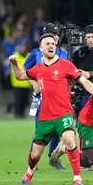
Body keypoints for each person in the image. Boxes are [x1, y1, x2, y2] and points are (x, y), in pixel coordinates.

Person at [9, 33, 93, 185]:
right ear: (41, 49)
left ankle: (77, 178)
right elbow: (20, 76)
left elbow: (85, 82)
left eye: (52, 44)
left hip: (64, 113)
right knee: (35, 154)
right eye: (47, 44)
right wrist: (14, 64)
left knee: (69, 139)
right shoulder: (38, 69)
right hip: (45, 118)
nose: (51, 46)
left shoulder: (66, 65)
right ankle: (30, 171)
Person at [58, 24, 93, 171]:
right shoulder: (79, 53)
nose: (90, 40)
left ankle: (83, 157)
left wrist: (89, 74)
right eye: (88, 37)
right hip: (81, 94)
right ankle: (81, 158)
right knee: (80, 126)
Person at [23, 23, 67, 169]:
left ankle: (52, 158)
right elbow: (25, 70)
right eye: (52, 35)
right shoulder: (36, 52)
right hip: (41, 97)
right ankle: (33, 159)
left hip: (58, 97)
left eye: (56, 35)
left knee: (57, 130)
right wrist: (33, 82)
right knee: (40, 129)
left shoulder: (64, 53)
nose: (55, 38)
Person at [10, 41, 31, 118]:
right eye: (21, 47)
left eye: (24, 47)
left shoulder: (29, 56)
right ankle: (17, 114)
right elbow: (13, 69)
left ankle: (22, 114)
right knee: (18, 99)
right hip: (17, 83)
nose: (22, 48)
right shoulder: (15, 55)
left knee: (24, 100)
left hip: (26, 83)